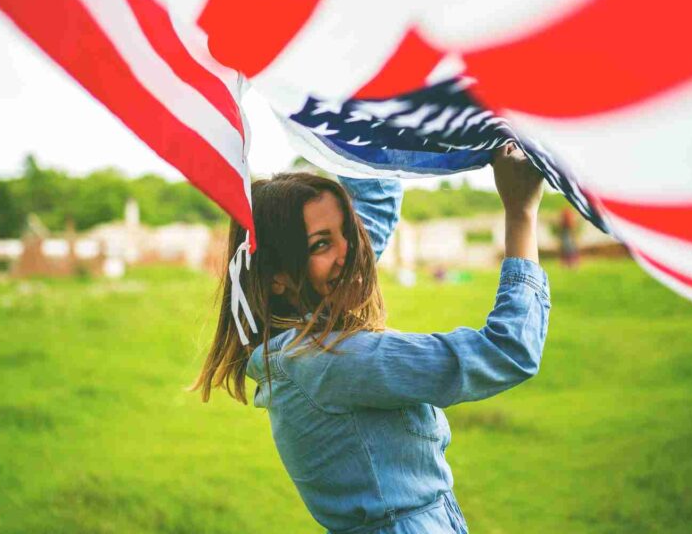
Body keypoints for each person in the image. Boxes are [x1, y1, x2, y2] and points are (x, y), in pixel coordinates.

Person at [192, 143, 551, 533]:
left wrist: (347, 115)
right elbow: (506, 351)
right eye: (322, 243)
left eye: (347, 231)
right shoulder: (329, 360)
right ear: (278, 276)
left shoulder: (294, 336)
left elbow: (374, 206)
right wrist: (521, 215)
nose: (353, 249)